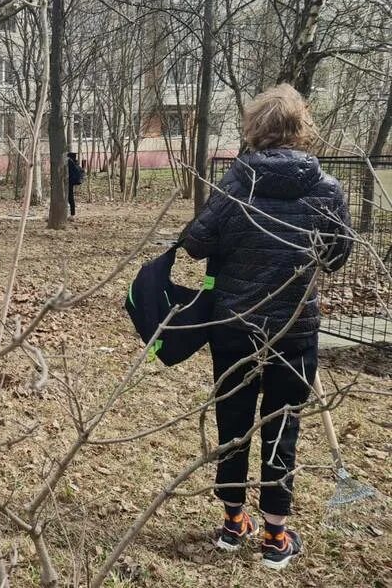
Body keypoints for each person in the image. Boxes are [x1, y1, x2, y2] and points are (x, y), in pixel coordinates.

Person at [180, 84, 352, 570]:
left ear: (254, 130)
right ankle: (276, 533)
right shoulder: (327, 189)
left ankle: (234, 523)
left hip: (234, 325)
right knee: (282, 423)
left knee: (233, 418)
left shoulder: (237, 184)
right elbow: (337, 255)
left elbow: (194, 242)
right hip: (294, 328)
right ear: (302, 130)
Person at [67, 152, 83, 218]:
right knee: (71, 198)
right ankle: (72, 214)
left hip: (68, 182)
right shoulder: (75, 162)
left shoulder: (69, 162)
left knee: (70, 198)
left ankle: (72, 215)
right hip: (71, 182)